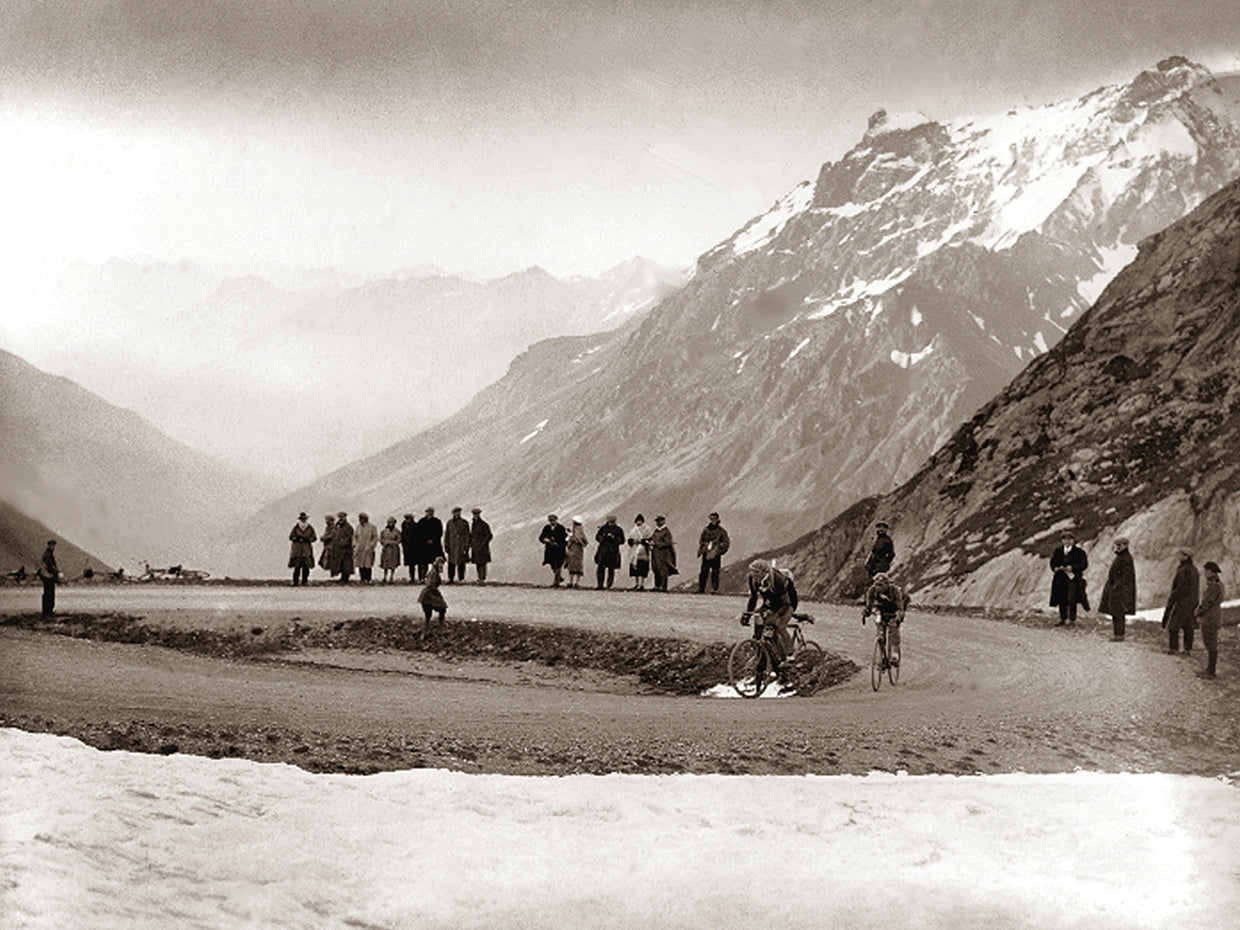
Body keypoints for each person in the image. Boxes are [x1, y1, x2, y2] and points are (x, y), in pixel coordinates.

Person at [741, 559, 798, 677]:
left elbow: (786, 603)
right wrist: (747, 615)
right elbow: (753, 598)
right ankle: (759, 647)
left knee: (779, 625)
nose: (753, 575)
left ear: (764, 572)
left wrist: (776, 615)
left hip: (788, 602)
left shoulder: (777, 580)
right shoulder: (752, 578)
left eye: (756, 572)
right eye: (752, 572)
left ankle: (789, 656)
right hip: (770, 601)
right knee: (759, 618)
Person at [863, 571, 909, 665]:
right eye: (876, 584)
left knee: (893, 629)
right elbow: (869, 605)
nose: (878, 587)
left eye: (880, 585)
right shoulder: (872, 590)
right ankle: (883, 656)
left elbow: (900, 606)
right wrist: (866, 612)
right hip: (882, 610)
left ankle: (895, 654)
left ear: (887, 584)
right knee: (880, 631)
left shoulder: (894, 590)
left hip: (894, 610)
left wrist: (899, 615)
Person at [1098, 536, 1137, 640]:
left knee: (1118, 612)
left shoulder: (1126, 558)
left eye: (1119, 545)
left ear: (1125, 546)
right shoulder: (1122, 556)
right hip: (1117, 589)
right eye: (1116, 545)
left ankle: (1119, 634)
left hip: (1120, 590)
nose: (1117, 548)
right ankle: (1118, 634)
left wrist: (1116, 585)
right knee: (1116, 612)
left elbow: (1126, 576)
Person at [1163, 547, 1200, 655]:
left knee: (1173, 625)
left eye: (1181, 554)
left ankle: (1173, 648)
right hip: (1192, 602)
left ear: (1186, 556)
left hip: (1181, 602)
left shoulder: (1184, 570)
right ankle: (1187, 649)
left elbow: (1181, 587)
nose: (1179, 557)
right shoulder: (1194, 569)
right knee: (1188, 626)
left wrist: (1173, 597)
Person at [1049, 530, 1089, 626]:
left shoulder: (1079, 552)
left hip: (1073, 579)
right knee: (1061, 598)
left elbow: (1084, 564)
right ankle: (1063, 618)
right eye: (1065, 539)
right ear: (1062, 541)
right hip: (1060, 579)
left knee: (1072, 598)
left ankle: (1072, 619)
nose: (1067, 541)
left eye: (1069, 539)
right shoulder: (1058, 551)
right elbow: (1052, 562)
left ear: (1073, 540)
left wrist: (1073, 568)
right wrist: (1055, 568)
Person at [1196, 561, 1225, 679]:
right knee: (1211, 643)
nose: (1204, 573)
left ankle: (1210, 671)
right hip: (1214, 617)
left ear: (1212, 572)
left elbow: (1207, 603)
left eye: (1206, 571)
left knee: (1210, 643)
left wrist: (1197, 612)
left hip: (1210, 618)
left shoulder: (1213, 587)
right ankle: (1210, 669)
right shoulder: (1219, 584)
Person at [696, 512, 730, 593]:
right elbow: (701, 540)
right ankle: (701, 588)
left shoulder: (721, 531)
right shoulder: (706, 530)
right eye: (711, 519)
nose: (712, 521)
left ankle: (714, 589)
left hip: (715, 554)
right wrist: (704, 546)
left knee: (715, 572)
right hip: (706, 553)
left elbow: (726, 543)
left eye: (714, 519)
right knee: (704, 571)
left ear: (717, 519)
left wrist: (717, 548)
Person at [418, 555, 448, 638]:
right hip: (429, 595)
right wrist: (437, 593)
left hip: (427, 595)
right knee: (442, 609)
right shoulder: (434, 573)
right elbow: (430, 585)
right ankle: (440, 627)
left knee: (429, 615)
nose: (441, 566)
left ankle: (425, 632)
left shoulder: (433, 571)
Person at [594, 515, 625, 589]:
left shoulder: (618, 530)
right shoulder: (603, 529)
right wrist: (604, 537)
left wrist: (614, 538)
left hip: (613, 551)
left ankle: (609, 584)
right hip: (603, 551)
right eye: (610, 522)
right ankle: (600, 584)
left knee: (611, 568)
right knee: (601, 568)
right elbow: (597, 537)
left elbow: (622, 540)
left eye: (612, 522)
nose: (611, 523)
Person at [288, 511, 317, 587]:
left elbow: (314, 537)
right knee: (297, 567)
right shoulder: (296, 528)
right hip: (297, 550)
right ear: (300, 519)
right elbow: (291, 537)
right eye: (302, 519)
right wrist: (297, 538)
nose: (303, 520)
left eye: (304, 519)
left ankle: (305, 581)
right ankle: (295, 581)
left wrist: (308, 539)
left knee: (306, 567)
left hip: (306, 550)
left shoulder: (310, 528)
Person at [443, 507, 471, 583]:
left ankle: (461, 578)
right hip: (452, 546)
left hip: (461, 545)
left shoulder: (464, 523)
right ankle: (451, 578)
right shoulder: (450, 523)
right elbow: (447, 535)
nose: (457, 514)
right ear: (453, 513)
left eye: (458, 512)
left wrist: (466, 546)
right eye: (456, 512)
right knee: (451, 563)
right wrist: (446, 545)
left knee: (461, 562)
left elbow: (467, 535)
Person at [539, 514, 568, 587]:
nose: (552, 522)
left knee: (558, 564)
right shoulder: (546, 528)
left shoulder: (561, 528)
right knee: (552, 565)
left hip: (559, 549)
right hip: (550, 550)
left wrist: (558, 543)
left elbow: (565, 538)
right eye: (550, 520)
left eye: (553, 520)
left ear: (556, 520)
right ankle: (558, 578)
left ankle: (556, 582)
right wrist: (545, 540)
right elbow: (541, 537)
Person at [650, 515, 677, 591]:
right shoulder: (656, 531)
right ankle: (657, 585)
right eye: (657, 521)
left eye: (659, 521)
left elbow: (668, 542)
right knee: (656, 568)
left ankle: (663, 586)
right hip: (655, 553)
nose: (658, 523)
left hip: (663, 553)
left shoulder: (666, 531)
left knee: (663, 569)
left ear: (663, 521)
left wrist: (657, 544)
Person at [417, 508, 444, 582]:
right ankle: (422, 578)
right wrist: (425, 540)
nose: (430, 513)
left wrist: (433, 540)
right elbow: (418, 533)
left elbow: (439, 532)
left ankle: (435, 578)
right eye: (428, 512)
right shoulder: (421, 522)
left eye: (431, 512)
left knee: (435, 563)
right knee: (423, 563)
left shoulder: (437, 521)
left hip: (434, 545)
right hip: (424, 546)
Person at [627, 514, 652, 590]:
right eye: (638, 521)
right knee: (635, 568)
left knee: (642, 567)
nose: (639, 522)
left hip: (643, 551)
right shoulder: (633, 530)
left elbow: (649, 539)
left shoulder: (647, 529)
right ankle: (636, 583)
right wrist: (633, 541)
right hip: (634, 551)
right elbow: (629, 540)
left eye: (640, 521)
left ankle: (641, 584)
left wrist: (642, 541)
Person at [353, 512, 379, 583]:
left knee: (368, 564)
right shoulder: (358, 527)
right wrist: (355, 544)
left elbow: (375, 537)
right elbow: (355, 536)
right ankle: (362, 578)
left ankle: (368, 579)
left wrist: (371, 545)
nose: (360, 520)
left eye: (361, 519)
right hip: (360, 548)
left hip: (368, 548)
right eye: (359, 519)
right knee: (360, 564)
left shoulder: (372, 527)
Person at [470, 508, 493, 582]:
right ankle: (480, 577)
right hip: (476, 547)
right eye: (474, 514)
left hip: (482, 547)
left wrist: (483, 543)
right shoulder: (473, 524)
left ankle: (482, 578)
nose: (475, 515)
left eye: (477, 514)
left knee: (482, 563)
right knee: (478, 563)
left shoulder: (483, 524)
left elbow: (489, 535)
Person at [331, 511, 354, 583]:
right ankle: (342, 578)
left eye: (342, 517)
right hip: (338, 549)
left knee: (346, 564)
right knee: (340, 564)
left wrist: (343, 543)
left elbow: (349, 537)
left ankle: (345, 578)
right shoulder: (337, 526)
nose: (341, 519)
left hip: (346, 549)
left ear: (345, 517)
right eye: (339, 517)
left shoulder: (348, 527)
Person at [37, 539, 59, 618]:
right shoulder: (48, 554)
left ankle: (47, 611)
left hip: (47, 576)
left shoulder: (48, 553)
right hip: (48, 576)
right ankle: (48, 611)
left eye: (54, 545)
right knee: (49, 594)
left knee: (48, 593)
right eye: (52, 545)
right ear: (49, 545)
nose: (53, 547)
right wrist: (55, 573)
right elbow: (49, 566)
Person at [565, 517, 588, 587]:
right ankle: (576, 582)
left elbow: (569, 541)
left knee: (572, 565)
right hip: (578, 551)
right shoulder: (581, 533)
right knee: (577, 565)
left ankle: (571, 582)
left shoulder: (574, 533)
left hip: (573, 550)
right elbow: (585, 542)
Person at [379, 516, 402, 584]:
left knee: (393, 564)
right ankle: (384, 577)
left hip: (394, 549)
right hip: (386, 549)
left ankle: (391, 577)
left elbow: (399, 540)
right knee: (385, 564)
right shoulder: (384, 531)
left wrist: (391, 542)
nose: (390, 523)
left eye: (392, 522)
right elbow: (381, 539)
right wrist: (384, 542)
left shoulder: (397, 531)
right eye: (389, 522)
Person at [400, 513, 419, 583]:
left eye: (408, 518)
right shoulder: (404, 526)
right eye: (406, 518)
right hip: (407, 546)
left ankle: (414, 578)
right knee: (410, 563)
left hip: (414, 546)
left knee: (413, 563)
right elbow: (403, 536)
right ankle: (412, 578)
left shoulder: (415, 526)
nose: (407, 520)